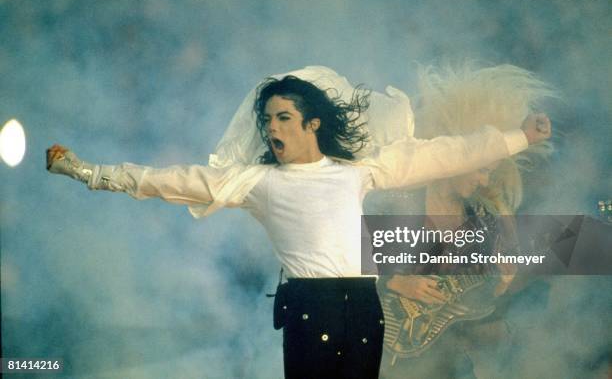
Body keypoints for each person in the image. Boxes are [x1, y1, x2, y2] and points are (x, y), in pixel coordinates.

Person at [46, 66, 551, 379]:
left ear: (312, 123)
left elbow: (447, 154)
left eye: (282, 117)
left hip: (364, 309)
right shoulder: (256, 181)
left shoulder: (360, 172)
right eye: (266, 120)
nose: (270, 127)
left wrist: (519, 138)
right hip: (313, 309)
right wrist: (85, 170)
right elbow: (166, 180)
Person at [376, 64, 556, 378]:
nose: (485, 180)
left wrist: (501, 284)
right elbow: (343, 271)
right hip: (385, 348)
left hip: (446, 355)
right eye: (482, 169)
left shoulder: (484, 222)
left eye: (491, 172)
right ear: (460, 157)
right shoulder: (398, 199)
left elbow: (475, 304)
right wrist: (396, 281)